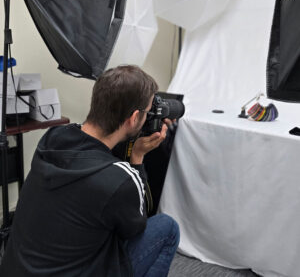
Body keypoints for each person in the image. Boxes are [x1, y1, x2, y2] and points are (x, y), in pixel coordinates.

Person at [0, 65, 180, 277]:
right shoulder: (120, 179)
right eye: (148, 111)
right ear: (133, 118)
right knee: (167, 227)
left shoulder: (52, 138)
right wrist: (137, 158)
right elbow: (135, 227)